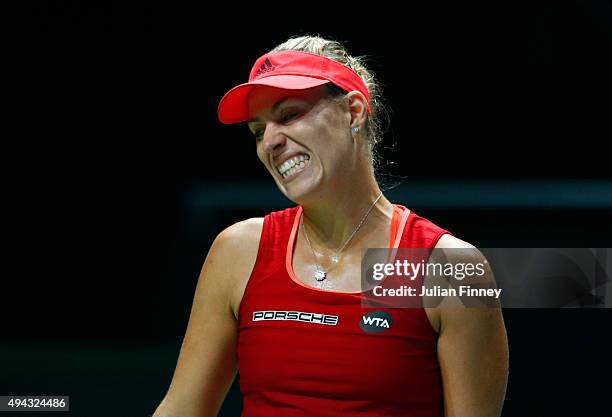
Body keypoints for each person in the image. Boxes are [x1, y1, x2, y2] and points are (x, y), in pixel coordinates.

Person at [152, 35, 509, 417]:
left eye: (288, 115)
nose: (269, 141)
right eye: (258, 131)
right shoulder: (239, 251)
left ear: (354, 112)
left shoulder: (449, 269)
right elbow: (182, 408)